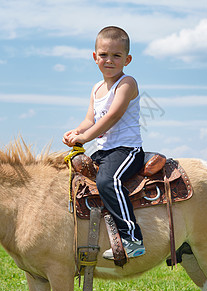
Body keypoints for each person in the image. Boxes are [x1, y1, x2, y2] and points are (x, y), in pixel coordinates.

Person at [62, 26, 145, 259]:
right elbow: (90, 119)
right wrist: (76, 132)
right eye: (104, 55)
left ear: (127, 59)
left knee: (108, 181)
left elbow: (113, 116)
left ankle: (132, 237)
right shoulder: (96, 88)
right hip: (104, 151)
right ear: (94, 57)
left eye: (116, 56)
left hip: (126, 150)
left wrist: (86, 137)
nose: (109, 60)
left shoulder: (127, 83)